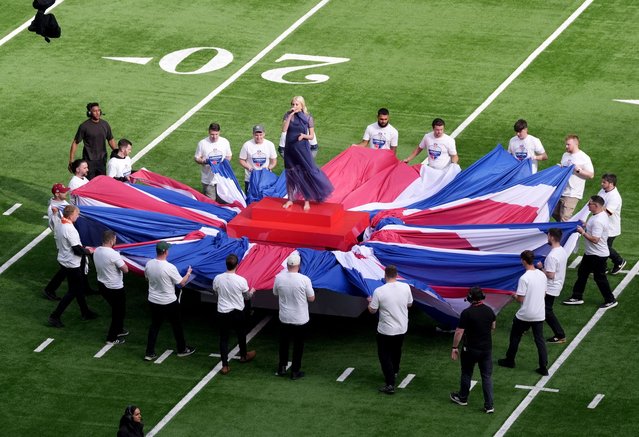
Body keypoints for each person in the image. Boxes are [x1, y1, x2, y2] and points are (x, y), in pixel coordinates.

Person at [498, 250, 548, 376]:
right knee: (539, 340)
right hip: (539, 313)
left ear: (524, 261)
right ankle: (543, 366)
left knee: (515, 336)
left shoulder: (524, 278)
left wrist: (513, 295)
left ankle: (510, 360)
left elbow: (520, 298)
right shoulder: (542, 275)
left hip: (525, 314)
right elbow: (544, 293)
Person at [563, 196, 618, 309]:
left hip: (597, 255)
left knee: (599, 278)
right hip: (591, 254)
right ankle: (577, 296)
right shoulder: (599, 215)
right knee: (582, 274)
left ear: (596, 206)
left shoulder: (598, 220)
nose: (588, 206)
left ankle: (610, 299)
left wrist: (583, 232)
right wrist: (585, 226)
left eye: (590, 204)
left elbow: (595, 239)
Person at [47, 205, 98, 327]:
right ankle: (55, 316)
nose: (78, 216)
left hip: (65, 260)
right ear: (71, 215)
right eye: (77, 214)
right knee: (73, 291)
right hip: (72, 263)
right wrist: (89, 251)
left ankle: (85, 311)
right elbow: (77, 249)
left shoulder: (61, 223)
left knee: (78, 288)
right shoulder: (69, 229)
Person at [144, 241, 195, 361]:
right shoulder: (169, 267)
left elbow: (147, 278)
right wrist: (188, 274)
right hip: (168, 302)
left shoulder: (149, 264)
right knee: (176, 325)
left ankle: (149, 352)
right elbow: (181, 283)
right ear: (165, 252)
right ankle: (182, 349)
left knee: (154, 326)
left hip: (153, 300)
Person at [281, 96, 334, 211]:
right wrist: (290, 115)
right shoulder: (287, 115)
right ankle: (290, 199)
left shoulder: (308, 118)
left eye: (296, 104)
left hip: (302, 148)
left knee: (305, 173)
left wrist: (303, 136)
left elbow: (311, 136)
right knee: (290, 173)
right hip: (290, 148)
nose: (294, 106)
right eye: (293, 104)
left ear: (302, 105)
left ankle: (307, 200)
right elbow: (284, 130)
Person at [367, 265, 413, 395]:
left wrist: (369, 302)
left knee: (384, 355)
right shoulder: (406, 287)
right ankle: (395, 371)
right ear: (397, 275)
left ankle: (390, 383)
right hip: (402, 327)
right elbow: (410, 304)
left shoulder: (379, 291)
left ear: (385, 275)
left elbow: (373, 310)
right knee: (396, 350)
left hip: (386, 330)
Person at [450, 286, 496, 413]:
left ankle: (463, 398)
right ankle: (489, 405)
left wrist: (454, 347)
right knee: (486, 376)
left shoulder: (467, 313)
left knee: (467, 372)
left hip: (470, 349)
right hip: (486, 349)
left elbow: (459, 332)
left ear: (470, 298)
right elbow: (493, 326)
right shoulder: (489, 311)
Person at [273, 251, 315, 379]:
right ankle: (295, 371)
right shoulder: (304, 279)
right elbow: (311, 298)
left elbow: (275, 293)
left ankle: (282, 367)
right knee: (298, 345)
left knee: (283, 344)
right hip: (300, 318)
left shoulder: (279, 278)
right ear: (299, 265)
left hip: (284, 317)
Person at [212, 254, 257, 375]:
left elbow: (215, 292)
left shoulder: (218, 278)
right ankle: (243, 355)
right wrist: (252, 291)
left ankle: (225, 366)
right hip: (237, 312)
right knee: (241, 334)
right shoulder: (241, 280)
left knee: (224, 339)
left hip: (222, 312)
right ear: (237, 265)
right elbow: (247, 296)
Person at [93, 230, 129, 345]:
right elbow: (125, 269)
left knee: (118, 310)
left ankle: (119, 329)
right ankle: (111, 338)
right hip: (115, 287)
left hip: (102, 284)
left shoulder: (97, 250)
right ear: (112, 240)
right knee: (118, 312)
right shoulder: (113, 254)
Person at [69, 102, 117, 180]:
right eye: (94, 111)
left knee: (102, 182)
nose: (97, 113)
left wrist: (117, 153)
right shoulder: (84, 126)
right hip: (89, 161)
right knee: (90, 183)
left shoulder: (105, 124)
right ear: (89, 113)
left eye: (98, 110)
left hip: (102, 160)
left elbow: (110, 139)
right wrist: (71, 160)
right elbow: (75, 142)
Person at [536, 228, 567, 344]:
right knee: (540, 307)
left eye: (548, 236)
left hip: (550, 287)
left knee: (546, 310)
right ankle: (524, 326)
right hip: (556, 284)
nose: (547, 238)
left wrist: (540, 267)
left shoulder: (552, 256)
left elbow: (550, 275)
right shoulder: (561, 250)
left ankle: (560, 334)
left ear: (552, 237)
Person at [552, 134, 594, 222]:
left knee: (564, 218)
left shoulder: (584, 158)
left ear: (576, 144)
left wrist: (579, 170)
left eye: (568, 144)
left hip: (572, 193)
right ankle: (563, 230)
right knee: (554, 212)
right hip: (561, 190)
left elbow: (591, 175)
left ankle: (566, 233)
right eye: (566, 144)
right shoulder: (565, 155)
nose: (566, 146)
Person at [43, 183, 71, 301]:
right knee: (66, 267)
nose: (66, 193)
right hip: (62, 239)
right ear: (57, 194)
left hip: (68, 235)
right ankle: (49, 289)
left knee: (70, 265)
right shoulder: (52, 208)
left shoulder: (64, 203)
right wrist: (54, 214)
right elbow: (53, 226)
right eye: (64, 191)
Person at [194, 123, 232, 201]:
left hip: (221, 179)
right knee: (211, 203)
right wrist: (204, 161)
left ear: (219, 132)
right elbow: (197, 158)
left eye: (216, 134)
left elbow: (229, 155)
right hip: (208, 180)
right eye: (212, 134)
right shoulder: (202, 143)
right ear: (208, 132)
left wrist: (224, 164)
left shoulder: (224, 142)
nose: (214, 137)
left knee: (223, 202)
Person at [597, 173, 626, 274]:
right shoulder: (603, 191)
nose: (601, 184)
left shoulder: (615, 197)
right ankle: (603, 267)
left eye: (604, 182)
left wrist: (596, 207)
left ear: (611, 183)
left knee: (605, 247)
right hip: (602, 225)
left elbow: (608, 212)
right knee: (601, 246)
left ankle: (619, 261)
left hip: (610, 228)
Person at [239, 125, 277, 192]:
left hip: (265, 178)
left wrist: (269, 168)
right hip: (250, 178)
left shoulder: (270, 145)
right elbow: (242, 160)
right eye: (256, 135)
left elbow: (274, 160)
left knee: (265, 200)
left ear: (264, 134)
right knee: (250, 200)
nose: (259, 137)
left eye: (260, 134)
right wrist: (249, 168)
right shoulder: (247, 145)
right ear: (253, 135)